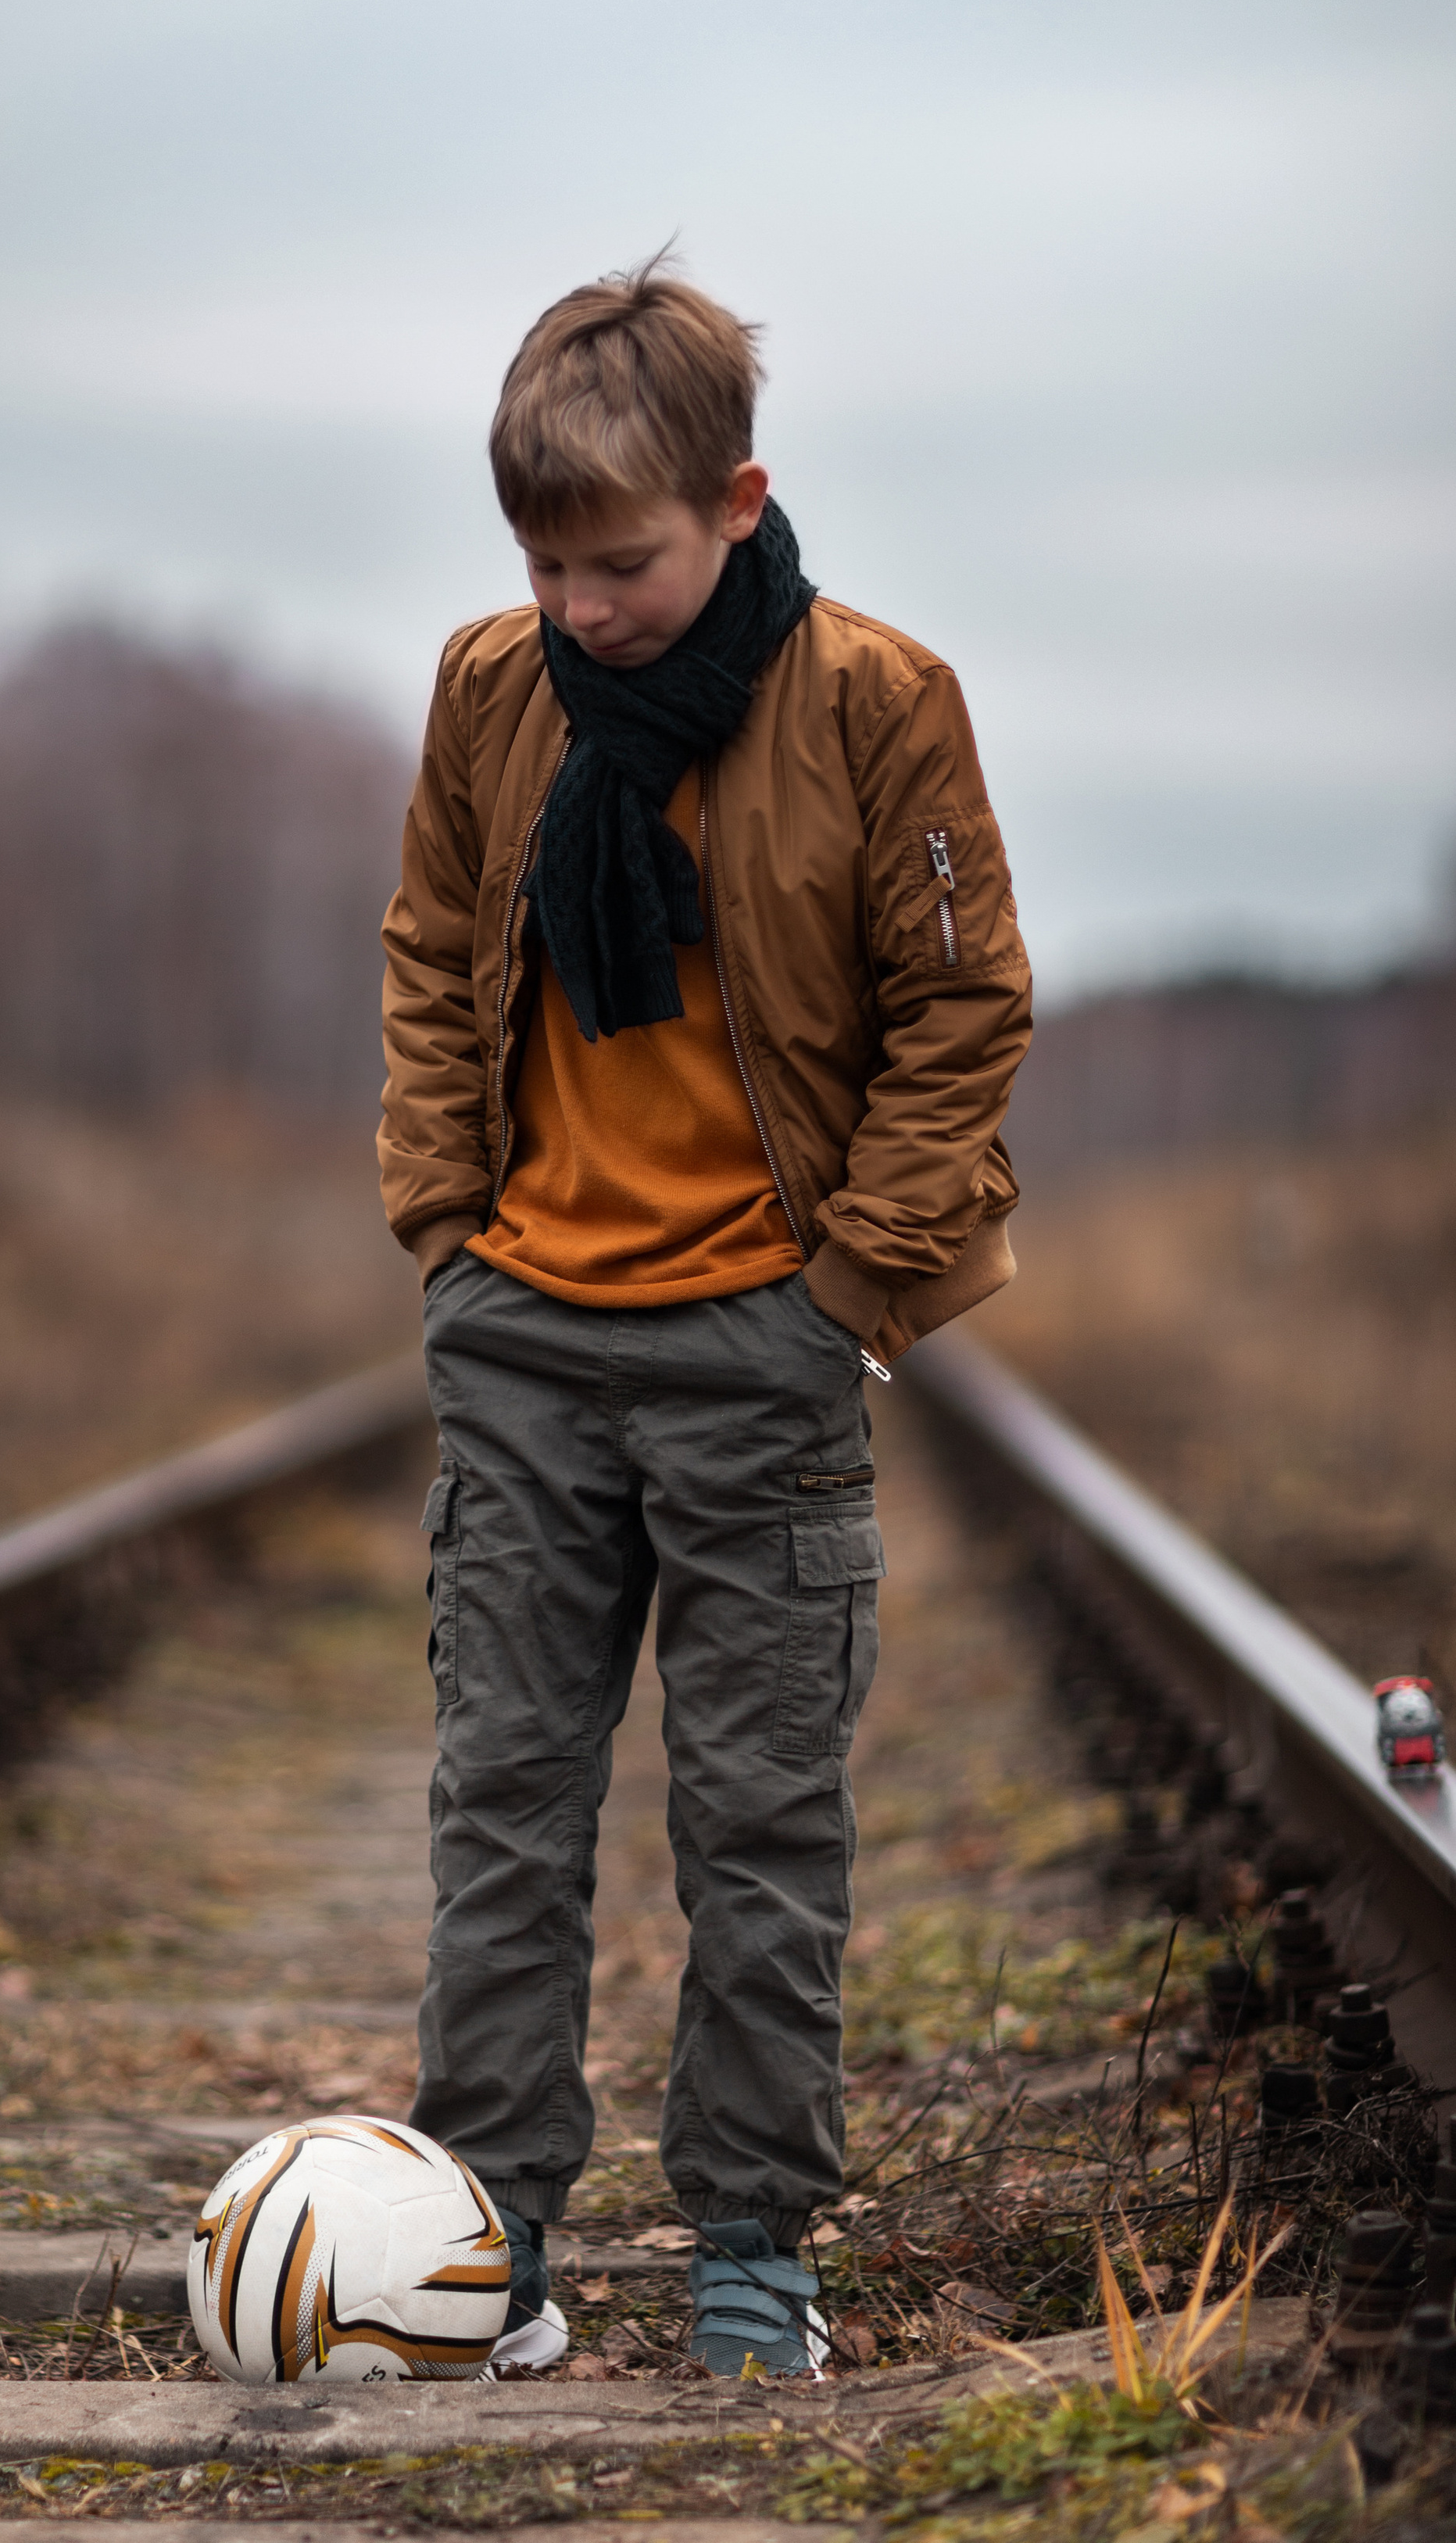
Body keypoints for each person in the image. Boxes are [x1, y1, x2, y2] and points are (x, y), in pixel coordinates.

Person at [377, 257, 1032, 2376]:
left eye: (623, 561)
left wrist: (845, 1286)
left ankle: (753, 2240)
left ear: (739, 501)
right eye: (547, 563)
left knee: (762, 1821)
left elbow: (964, 1011)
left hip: (761, 1344)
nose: (582, 607)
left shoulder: (871, 702)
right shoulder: (490, 692)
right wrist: (445, 1231)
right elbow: (422, 952)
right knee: (507, 1803)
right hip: (529, 1341)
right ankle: (489, 2248)